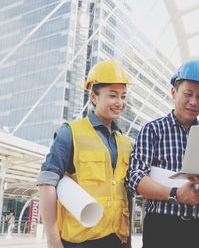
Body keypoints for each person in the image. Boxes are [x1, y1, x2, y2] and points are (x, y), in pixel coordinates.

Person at [126, 60, 199, 248]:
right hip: (162, 229)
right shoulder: (152, 130)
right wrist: (175, 194)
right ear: (173, 92)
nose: (193, 102)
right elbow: (134, 177)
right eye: (188, 94)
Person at [37, 60, 133, 248]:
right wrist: (53, 241)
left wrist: (128, 242)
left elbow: (126, 193)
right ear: (93, 97)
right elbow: (46, 183)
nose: (119, 103)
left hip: (116, 240)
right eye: (113, 96)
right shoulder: (70, 132)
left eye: (123, 96)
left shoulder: (126, 143)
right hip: (79, 242)